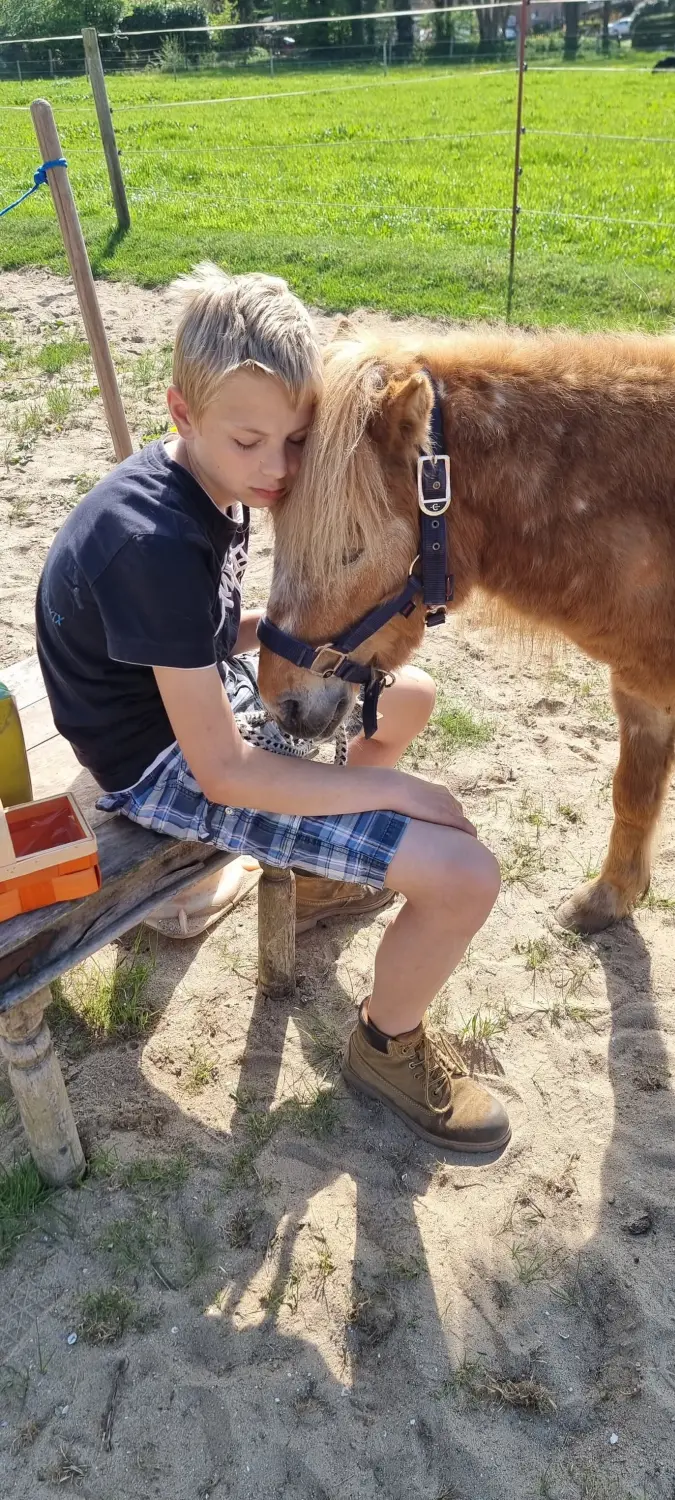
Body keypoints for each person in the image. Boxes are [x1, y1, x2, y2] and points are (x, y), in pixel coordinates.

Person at [36, 264, 510, 1155]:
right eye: (252, 441)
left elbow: (202, 631)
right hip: (162, 764)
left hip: (197, 699)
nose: (279, 469)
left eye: (294, 441)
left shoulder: (215, 483)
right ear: (180, 411)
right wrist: (394, 795)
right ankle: (386, 1045)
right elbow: (220, 770)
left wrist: (295, 643)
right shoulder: (152, 542)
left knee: (408, 697)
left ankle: (330, 879)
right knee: (464, 878)